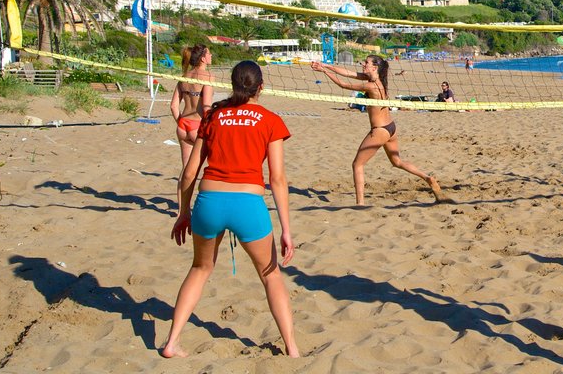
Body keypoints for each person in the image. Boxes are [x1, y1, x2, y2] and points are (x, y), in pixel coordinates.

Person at [161, 61, 298, 358]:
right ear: (260, 87)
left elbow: (188, 173)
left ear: (233, 85)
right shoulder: (270, 119)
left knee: (200, 269)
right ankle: (292, 348)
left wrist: (183, 212)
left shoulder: (214, 116)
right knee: (270, 275)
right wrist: (286, 230)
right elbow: (277, 179)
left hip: (209, 202)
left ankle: (172, 342)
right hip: (247, 204)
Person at [312, 56, 447, 206]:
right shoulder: (378, 81)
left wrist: (324, 71)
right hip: (391, 128)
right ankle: (428, 178)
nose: (363, 64)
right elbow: (348, 73)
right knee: (397, 161)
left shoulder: (371, 86)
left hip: (380, 130)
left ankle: (360, 204)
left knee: (357, 164)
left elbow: (343, 84)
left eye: (366, 63)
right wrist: (325, 65)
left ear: (374, 68)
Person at [169, 45, 214, 167]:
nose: (211, 56)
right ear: (203, 58)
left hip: (183, 125)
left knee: (185, 169)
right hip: (197, 125)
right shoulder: (207, 76)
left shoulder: (184, 77)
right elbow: (206, 107)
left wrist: (180, 123)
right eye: (209, 53)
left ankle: (180, 188)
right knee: (201, 169)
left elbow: (173, 106)